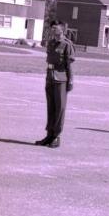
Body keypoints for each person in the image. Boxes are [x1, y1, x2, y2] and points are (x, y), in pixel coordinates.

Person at [36, 20, 75, 148]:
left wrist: (70, 81)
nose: (52, 30)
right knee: (50, 108)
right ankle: (49, 134)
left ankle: (56, 137)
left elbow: (69, 65)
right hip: (50, 77)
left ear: (61, 30)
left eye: (55, 28)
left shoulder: (66, 44)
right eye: (51, 28)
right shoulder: (51, 43)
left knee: (60, 109)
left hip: (61, 79)